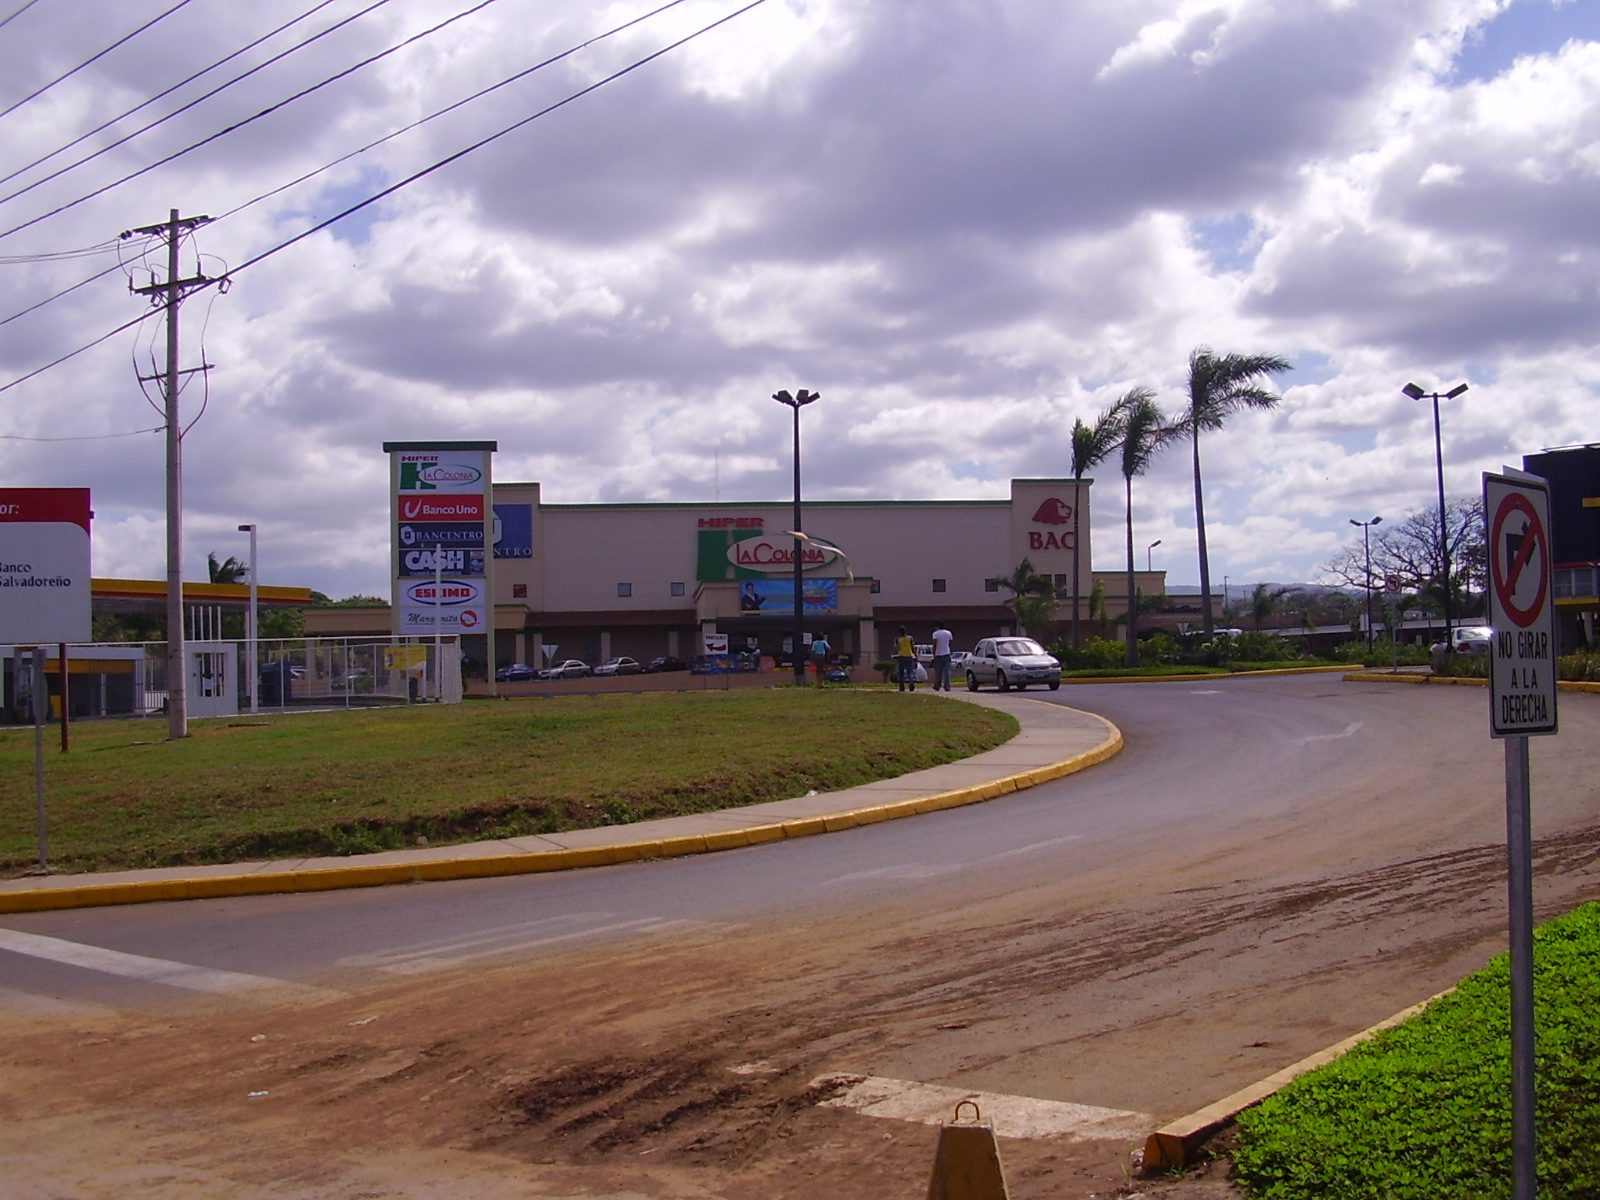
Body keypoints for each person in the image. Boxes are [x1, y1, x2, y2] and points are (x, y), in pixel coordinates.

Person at [930, 624, 954, 691]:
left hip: (938, 654)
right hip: (947, 653)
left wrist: (933, 654)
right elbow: (950, 642)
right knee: (947, 671)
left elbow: (934, 644)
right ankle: (947, 686)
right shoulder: (948, 633)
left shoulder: (935, 634)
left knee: (938, 672)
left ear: (937, 627)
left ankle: (937, 686)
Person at [894, 625, 917, 692]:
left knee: (901, 672)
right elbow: (912, 647)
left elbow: (896, 648)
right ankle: (911, 682)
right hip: (909, 656)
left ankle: (902, 687)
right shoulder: (910, 638)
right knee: (910, 671)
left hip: (901, 656)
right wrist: (915, 655)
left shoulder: (897, 639)